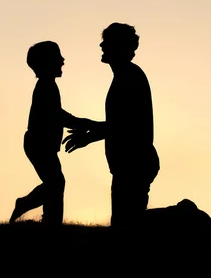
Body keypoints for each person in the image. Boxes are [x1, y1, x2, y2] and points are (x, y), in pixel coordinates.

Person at [63, 23, 160, 228]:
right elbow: (121, 124)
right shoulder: (125, 76)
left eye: (106, 42)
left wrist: (89, 136)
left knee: (127, 227)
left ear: (118, 46)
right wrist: (91, 126)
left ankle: (183, 216)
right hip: (128, 165)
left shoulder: (129, 77)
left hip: (134, 164)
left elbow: (126, 126)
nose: (101, 45)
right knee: (125, 225)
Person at [10, 40, 94, 226]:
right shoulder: (45, 86)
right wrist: (80, 122)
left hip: (41, 144)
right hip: (38, 143)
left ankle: (48, 219)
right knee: (56, 183)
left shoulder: (48, 85)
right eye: (58, 57)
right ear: (47, 62)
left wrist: (79, 122)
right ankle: (47, 218)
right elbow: (56, 114)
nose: (63, 60)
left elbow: (57, 114)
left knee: (55, 183)